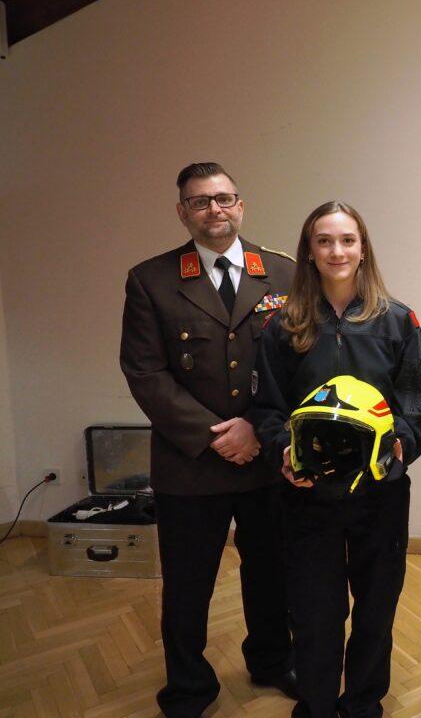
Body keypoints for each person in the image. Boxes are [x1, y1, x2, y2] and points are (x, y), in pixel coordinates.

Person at [120, 162, 297, 718]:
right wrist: (215, 435)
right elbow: (145, 371)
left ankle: (272, 660)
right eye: (200, 202)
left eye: (223, 198)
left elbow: (300, 365)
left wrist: (257, 429)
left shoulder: (286, 273)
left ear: (240, 205)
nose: (214, 209)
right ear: (183, 213)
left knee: (271, 572)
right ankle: (189, 686)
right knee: (187, 584)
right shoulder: (151, 279)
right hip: (191, 462)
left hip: (265, 457)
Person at [251, 200, 421, 718]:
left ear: (363, 247)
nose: (337, 251)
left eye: (347, 240)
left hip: (378, 493)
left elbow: (413, 404)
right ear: (309, 250)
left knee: (376, 609)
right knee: (314, 612)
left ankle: (364, 704)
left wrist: (400, 445)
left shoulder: (398, 321)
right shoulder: (283, 325)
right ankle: (317, 704)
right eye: (324, 241)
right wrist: (284, 452)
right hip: (308, 495)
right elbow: (268, 409)